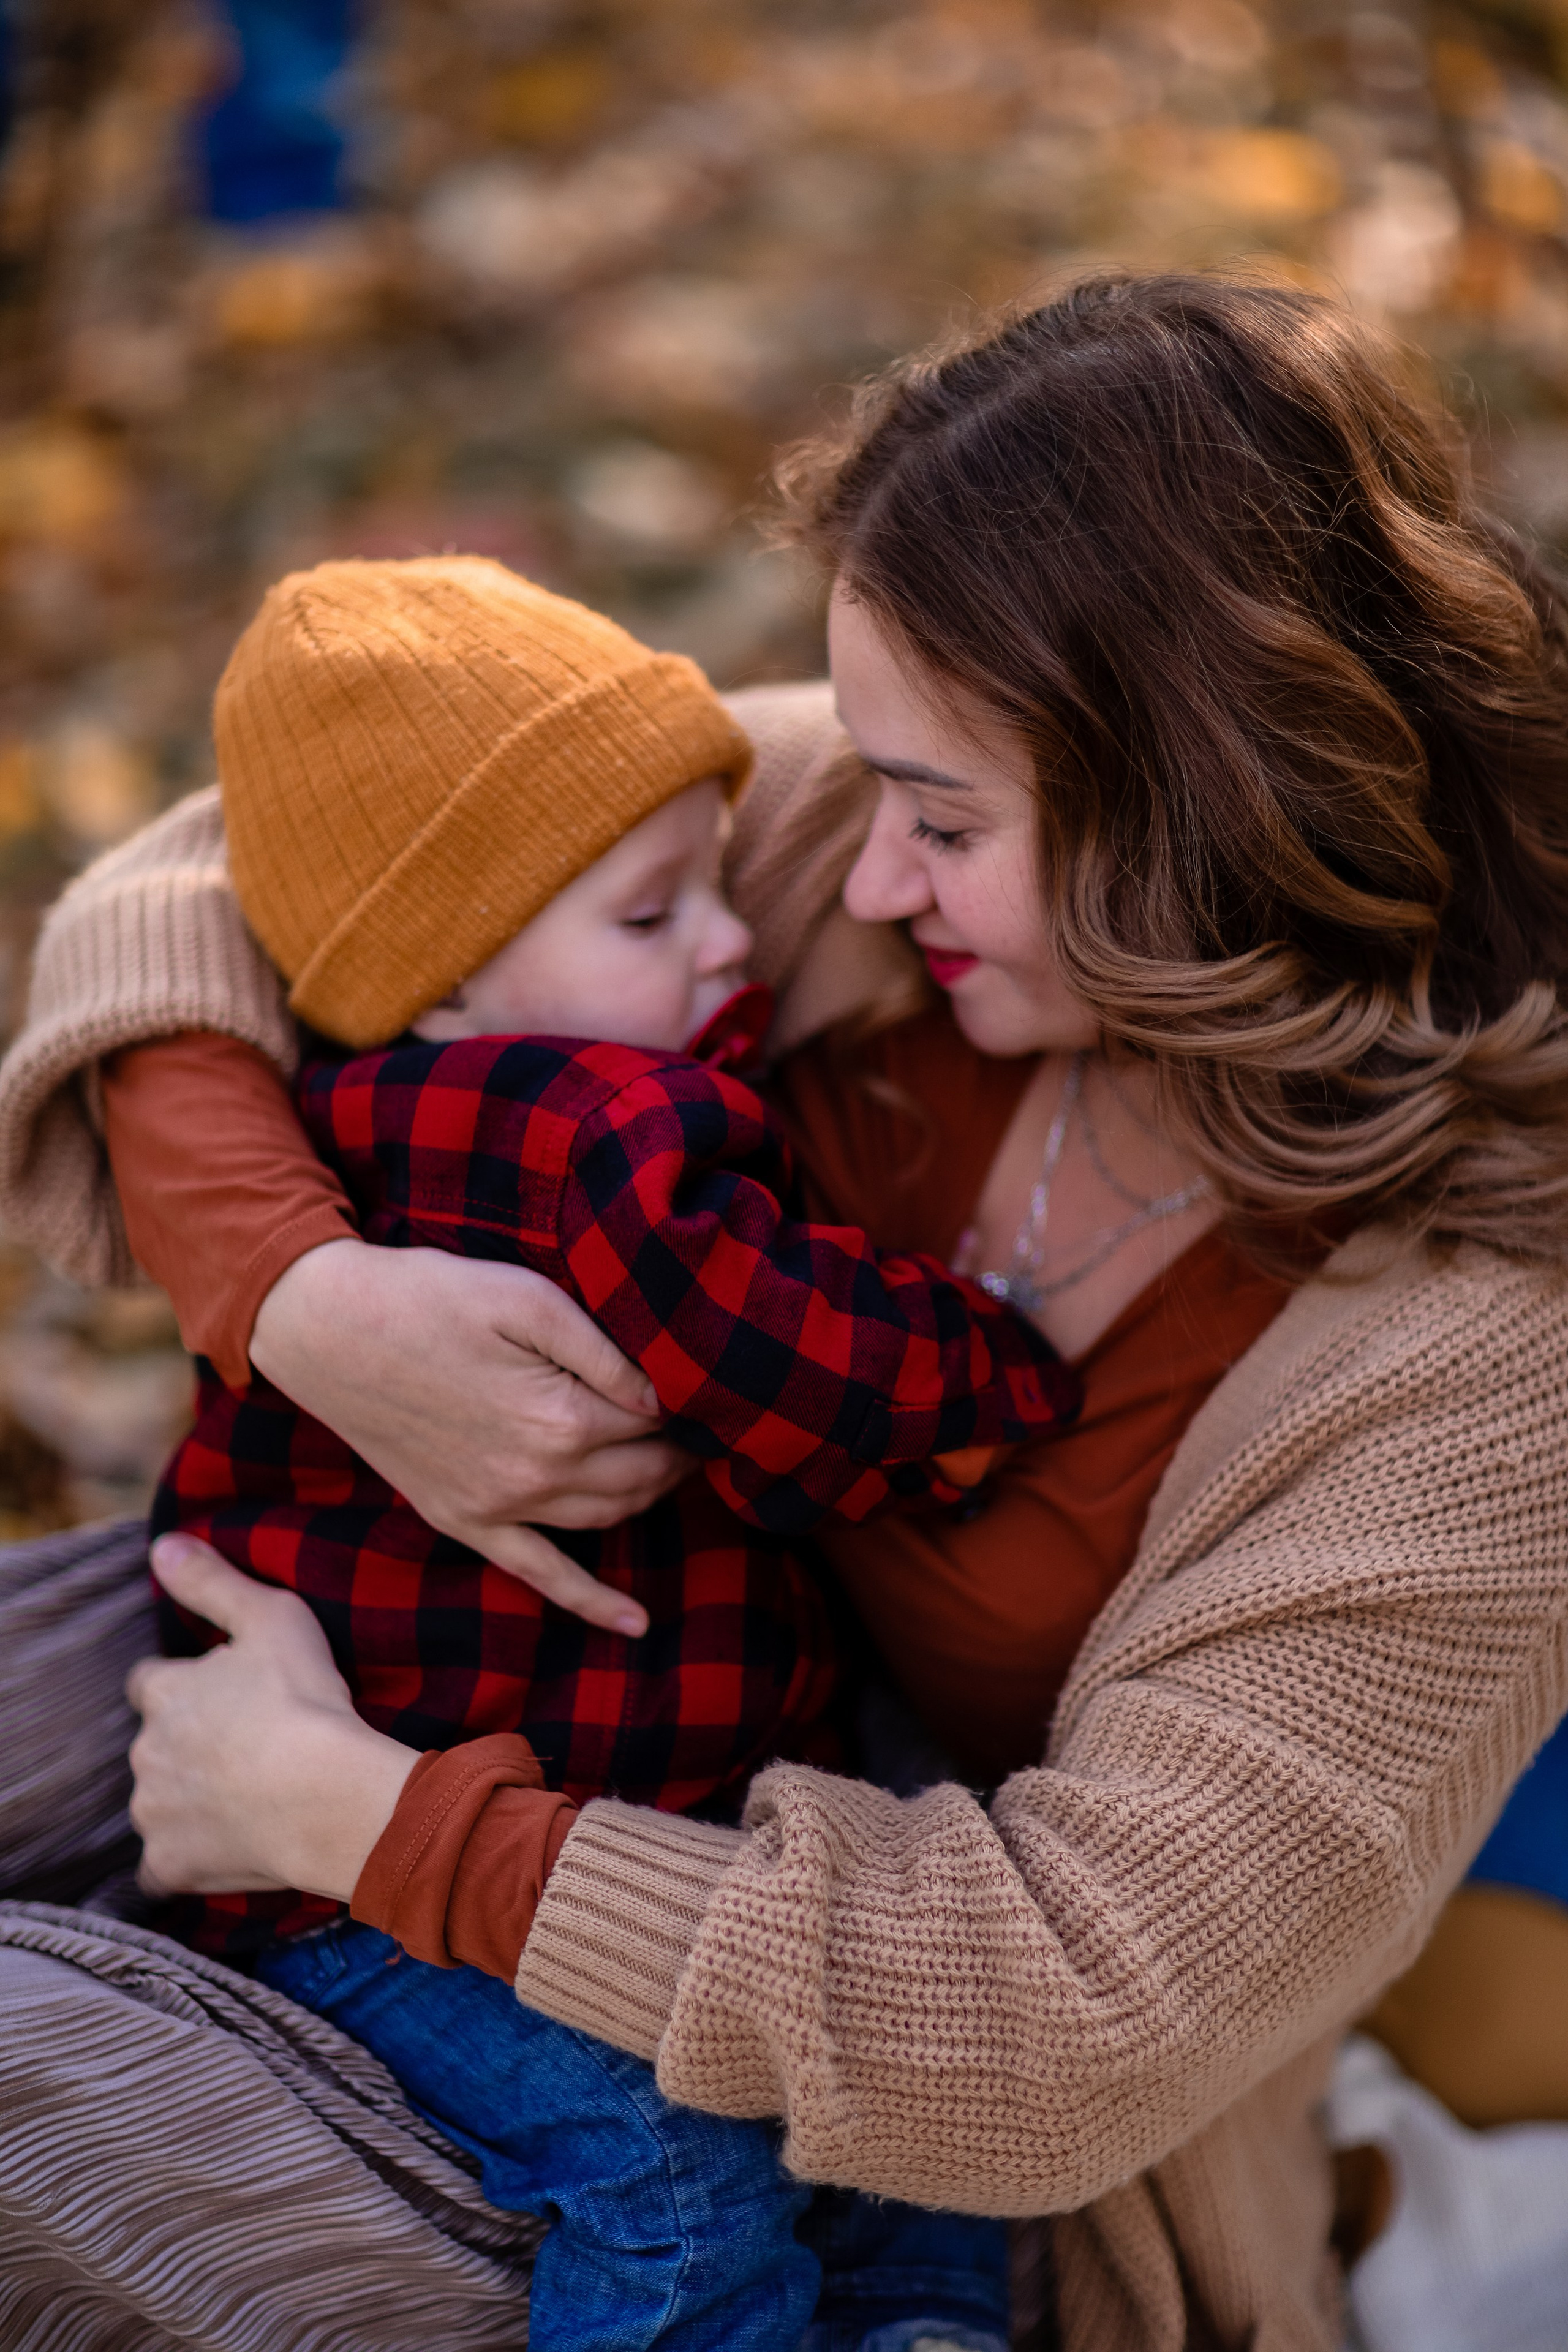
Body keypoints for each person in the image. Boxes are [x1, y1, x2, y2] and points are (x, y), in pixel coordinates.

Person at [6, 273, 1568, 2352]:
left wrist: (358, 1822)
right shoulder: (873, 846)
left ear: (1202, 802)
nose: (859, 881)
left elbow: (1059, 2032)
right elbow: (226, 874)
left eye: (945, 821)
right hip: (445, 1647)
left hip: (833, 2109)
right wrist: (309, 1296)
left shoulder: (1489, 1362)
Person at [149, 552, 1076, 2352]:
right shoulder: (590, 1127)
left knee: (852, 2136)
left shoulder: (419, 1095)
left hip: (556, 1818)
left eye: (718, 884)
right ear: (439, 990)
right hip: (393, 1887)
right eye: (653, 918)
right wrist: (991, 1381)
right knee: (669, 2166)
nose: (736, 941)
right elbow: (768, 1337)